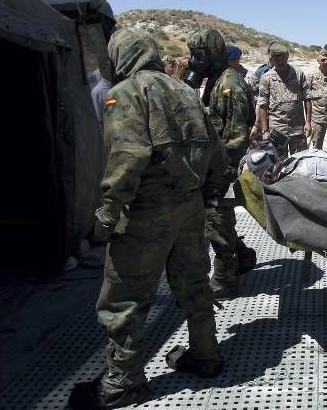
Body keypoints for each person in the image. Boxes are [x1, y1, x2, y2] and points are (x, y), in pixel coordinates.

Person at [68, 28, 225, 409]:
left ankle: (123, 382)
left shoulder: (124, 93)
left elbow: (127, 155)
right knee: (193, 285)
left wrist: (108, 211)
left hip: (145, 212)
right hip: (188, 207)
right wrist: (208, 196)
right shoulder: (186, 92)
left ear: (121, 56)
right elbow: (215, 150)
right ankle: (206, 356)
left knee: (124, 298)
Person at [205, 44, 258, 300]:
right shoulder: (222, 80)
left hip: (223, 167)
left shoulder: (231, 84)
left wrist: (221, 167)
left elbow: (237, 134)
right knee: (221, 216)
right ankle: (243, 256)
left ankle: (226, 279)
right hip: (220, 163)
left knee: (217, 217)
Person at [257, 44, 310, 157]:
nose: (280, 62)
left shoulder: (298, 74)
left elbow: (307, 99)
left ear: (287, 57)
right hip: (277, 130)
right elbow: (262, 105)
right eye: (277, 59)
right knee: (278, 165)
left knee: (300, 162)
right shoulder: (266, 78)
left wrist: (308, 122)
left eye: (283, 58)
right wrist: (265, 130)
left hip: (298, 128)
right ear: (271, 59)